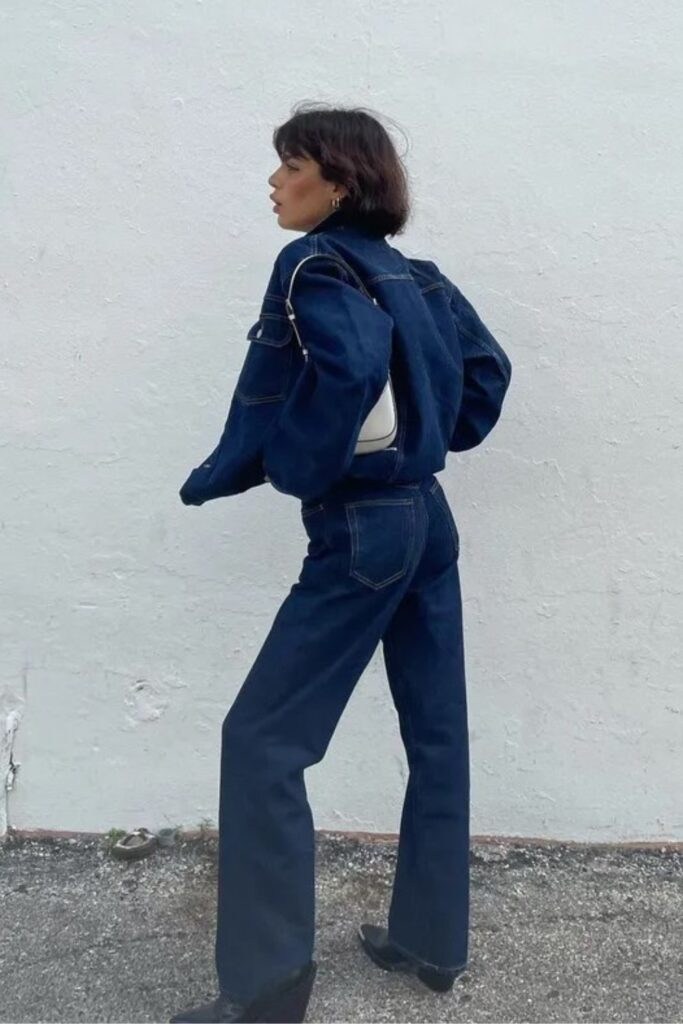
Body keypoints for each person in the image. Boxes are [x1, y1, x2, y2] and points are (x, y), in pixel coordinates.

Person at [170, 104, 512, 1024]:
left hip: (363, 528)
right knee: (435, 732)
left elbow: (353, 361)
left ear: (339, 182)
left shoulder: (313, 262)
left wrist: (302, 465)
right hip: (427, 523)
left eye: (290, 166)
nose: (275, 183)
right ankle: (430, 941)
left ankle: (266, 989)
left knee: (261, 743)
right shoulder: (415, 274)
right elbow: (485, 374)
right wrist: (428, 440)